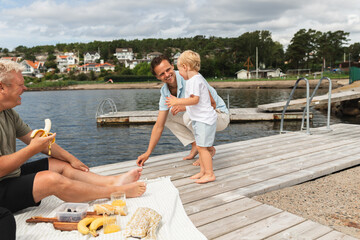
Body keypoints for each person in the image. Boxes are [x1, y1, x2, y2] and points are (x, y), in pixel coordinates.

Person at [0, 60, 146, 213]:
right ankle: (115, 192)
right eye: (20, 85)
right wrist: (32, 149)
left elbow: (35, 139)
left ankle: (112, 181)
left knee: (59, 163)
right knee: (51, 180)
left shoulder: (8, 112)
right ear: (1, 87)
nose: (25, 88)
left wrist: (71, 159)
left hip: (11, 176)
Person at [136, 55, 229, 167]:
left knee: (188, 115)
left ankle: (206, 149)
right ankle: (196, 145)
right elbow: (158, 126)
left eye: (168, 69)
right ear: (157, 77)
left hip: (219, 115)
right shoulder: (165, 92)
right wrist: (148, 153)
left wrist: (184, 107)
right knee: (168, 117)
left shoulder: (190, 76)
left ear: (172, 66)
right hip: (203, 117)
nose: (167, 75)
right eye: (161, 74)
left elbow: (211, 104)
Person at [166, 50, 216, 184]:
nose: (179, 74)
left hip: (204, 120)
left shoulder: (194, 80)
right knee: (201, 147)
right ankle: (203, 171)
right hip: (201, 119)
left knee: (202, 148)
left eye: (179, 70)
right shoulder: (197, 79)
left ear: (185, 67)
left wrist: (177, 101)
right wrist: (182, 105)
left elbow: (194, 100)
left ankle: (209, 173)